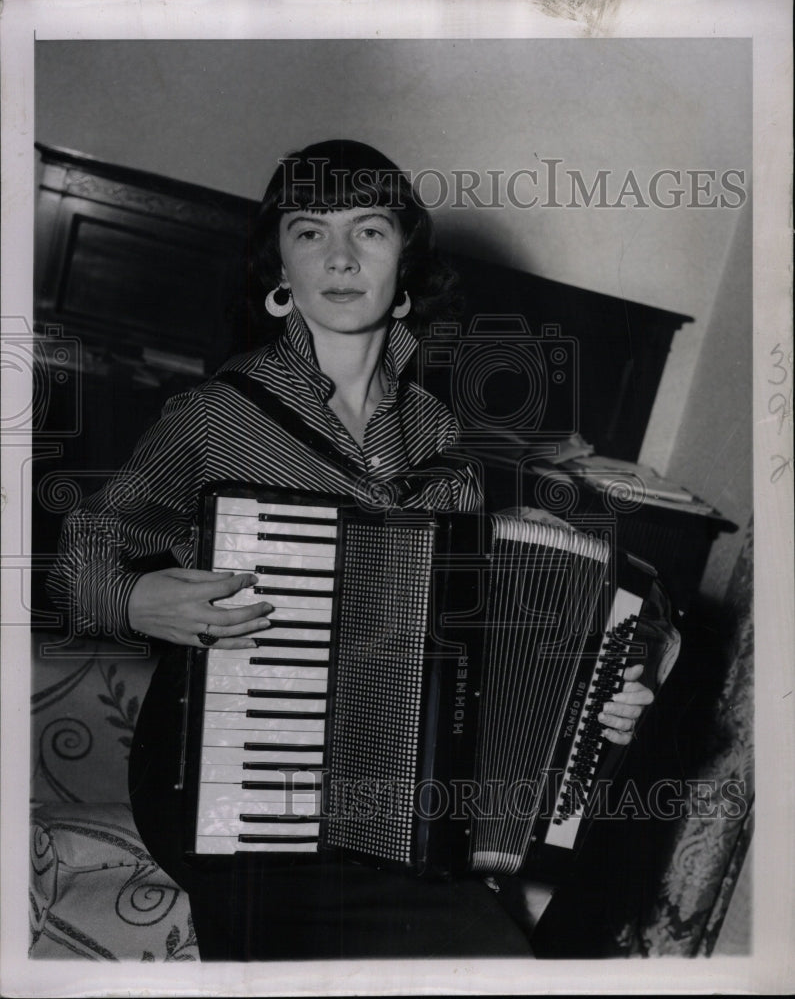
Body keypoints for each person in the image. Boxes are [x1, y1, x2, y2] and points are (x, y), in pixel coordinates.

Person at [48, 139, 659, 960]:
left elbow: (473, 654)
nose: (339, 256)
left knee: (505, 953)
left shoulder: (444, 442)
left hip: (387, 790)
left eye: (368, 230)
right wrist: (133, 599)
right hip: (224, 774)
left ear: (404, 270)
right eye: (309, 232)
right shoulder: (216, 415)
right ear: (280, 273)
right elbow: (75, 558)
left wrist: (592, 702)